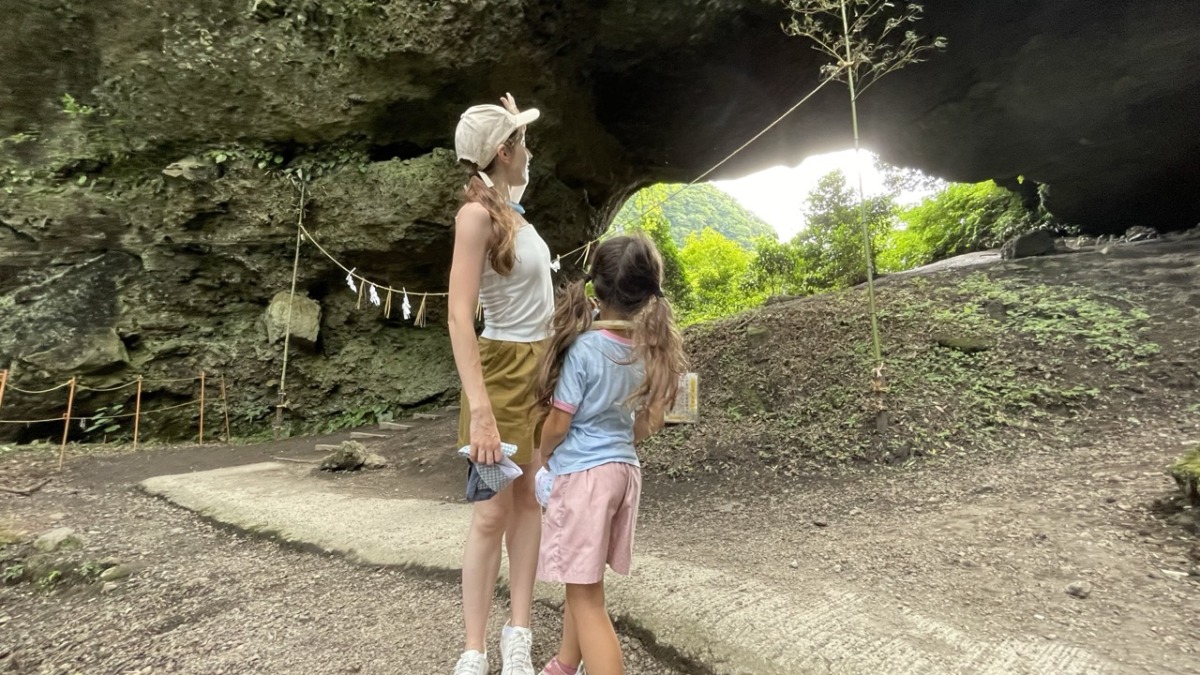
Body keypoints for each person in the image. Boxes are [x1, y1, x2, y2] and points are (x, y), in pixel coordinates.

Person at [532, 235, 687, 675]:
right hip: (623, 474)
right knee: (583, 581)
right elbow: (651, 422)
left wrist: (545, 456)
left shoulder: (583, 349)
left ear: (597, 289)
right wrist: (621, 436)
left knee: (587, 600)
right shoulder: (649, 349)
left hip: (583, 479)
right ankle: (565, 663)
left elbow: (558, 424)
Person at [448, 93, 554, 675]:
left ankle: (519, 633)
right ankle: (474, 649)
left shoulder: (513, 212)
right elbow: (459, 316)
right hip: (498, 375)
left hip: (538, 372)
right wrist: (481, 412)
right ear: (505, 151)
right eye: (522, 141)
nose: (531, 151)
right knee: (491, 512)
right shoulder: (476, 216)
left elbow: (510, 177)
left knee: (530, 504)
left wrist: (506, 118)